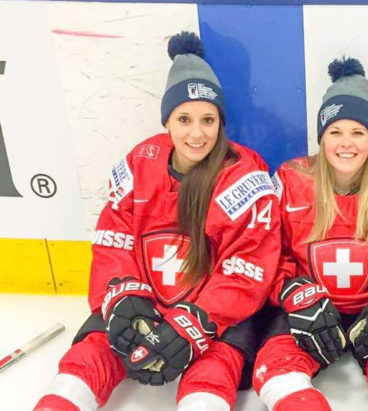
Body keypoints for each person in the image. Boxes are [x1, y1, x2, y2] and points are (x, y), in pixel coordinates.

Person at [34, 32, 280, 411]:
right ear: (167, 121)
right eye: (184, 119)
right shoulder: (140, 161)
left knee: (214, 372)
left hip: (213, 317)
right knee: (92, 354)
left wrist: (196, 321)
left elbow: (249, 265)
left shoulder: (244, 174)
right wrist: (124, 297)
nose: (196, 133)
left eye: (208, 120)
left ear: (221, 122)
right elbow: (114, 238)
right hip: (148, 305)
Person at [252, 57, 368, 411]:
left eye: (358, 132)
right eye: (335, 132)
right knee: (275, 369)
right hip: (310, 310)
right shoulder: (290, 178)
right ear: (322, 136)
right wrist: (294, 292)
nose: (346, 143)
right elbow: (270, 256)